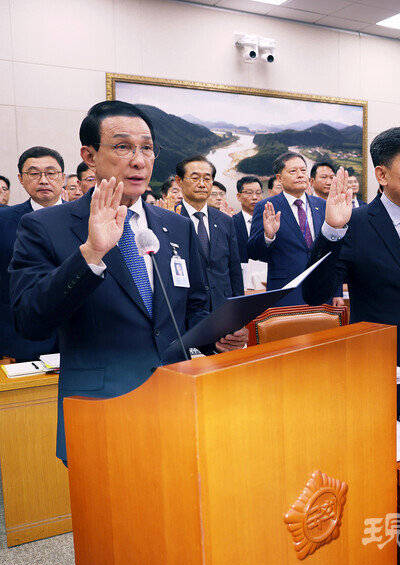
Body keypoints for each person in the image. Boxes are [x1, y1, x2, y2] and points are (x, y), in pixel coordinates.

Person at [8, 101, 246, 464]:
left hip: (178, 401)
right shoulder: (47, 227)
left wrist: (221, 335)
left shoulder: (176, 226)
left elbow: (194, 306)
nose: (139, 160)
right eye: (123, 147)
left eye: (147, 147)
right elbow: (29, 320)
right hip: (102, 409)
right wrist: (89, 255)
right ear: (89, 155)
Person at [303, 126, 400, 416]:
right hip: (379, 371)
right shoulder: (355, 224)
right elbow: (315, 294)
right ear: (382, 175)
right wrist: (332, 231)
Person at [0, 146, 66, 361]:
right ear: (20, 178)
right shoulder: (4, 221)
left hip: (78, 334)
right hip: (20, 338)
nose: (43, 180)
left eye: (51, 173)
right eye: (34, 173)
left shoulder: (88, 219)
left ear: (63, 177)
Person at [248, 152, 339, 307]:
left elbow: (332, 252)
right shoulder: (266, 206)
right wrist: (268, 236)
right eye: (293, 171)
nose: (300, 175)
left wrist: (336, 292)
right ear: (279, 178)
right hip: (285, 291)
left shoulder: (322, 205)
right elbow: (254, 253)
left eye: (303, 170)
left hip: (321, 290)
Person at [174, 155, 243, 310]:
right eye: (195, 178)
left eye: (207, 179)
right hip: (186, 309)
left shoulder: (225, 221)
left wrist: (239, 314)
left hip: (222, 307)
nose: (202, 184)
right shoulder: (170, 219)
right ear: (179, 181)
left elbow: (234, 271)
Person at [234, 175, 262, 263]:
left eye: (258, 193)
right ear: (239, 196)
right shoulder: (231, 222)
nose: (254, 197)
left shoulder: (269, 221)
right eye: (249, 193)